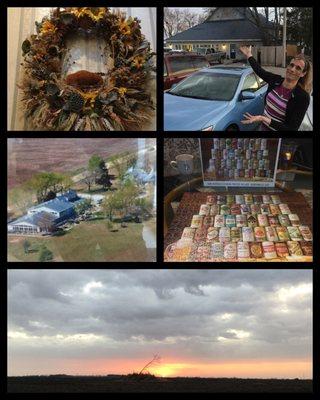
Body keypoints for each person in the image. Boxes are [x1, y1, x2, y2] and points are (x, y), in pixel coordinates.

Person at [239, 45, 312, 131]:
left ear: (303, 74)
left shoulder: (302, 97)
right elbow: (259, 70)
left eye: (298, 68)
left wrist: (263, 119)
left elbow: (292, 128)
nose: (292, 69)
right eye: (291, 65)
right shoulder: (275, 80)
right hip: (262, 128)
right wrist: (249, 55)